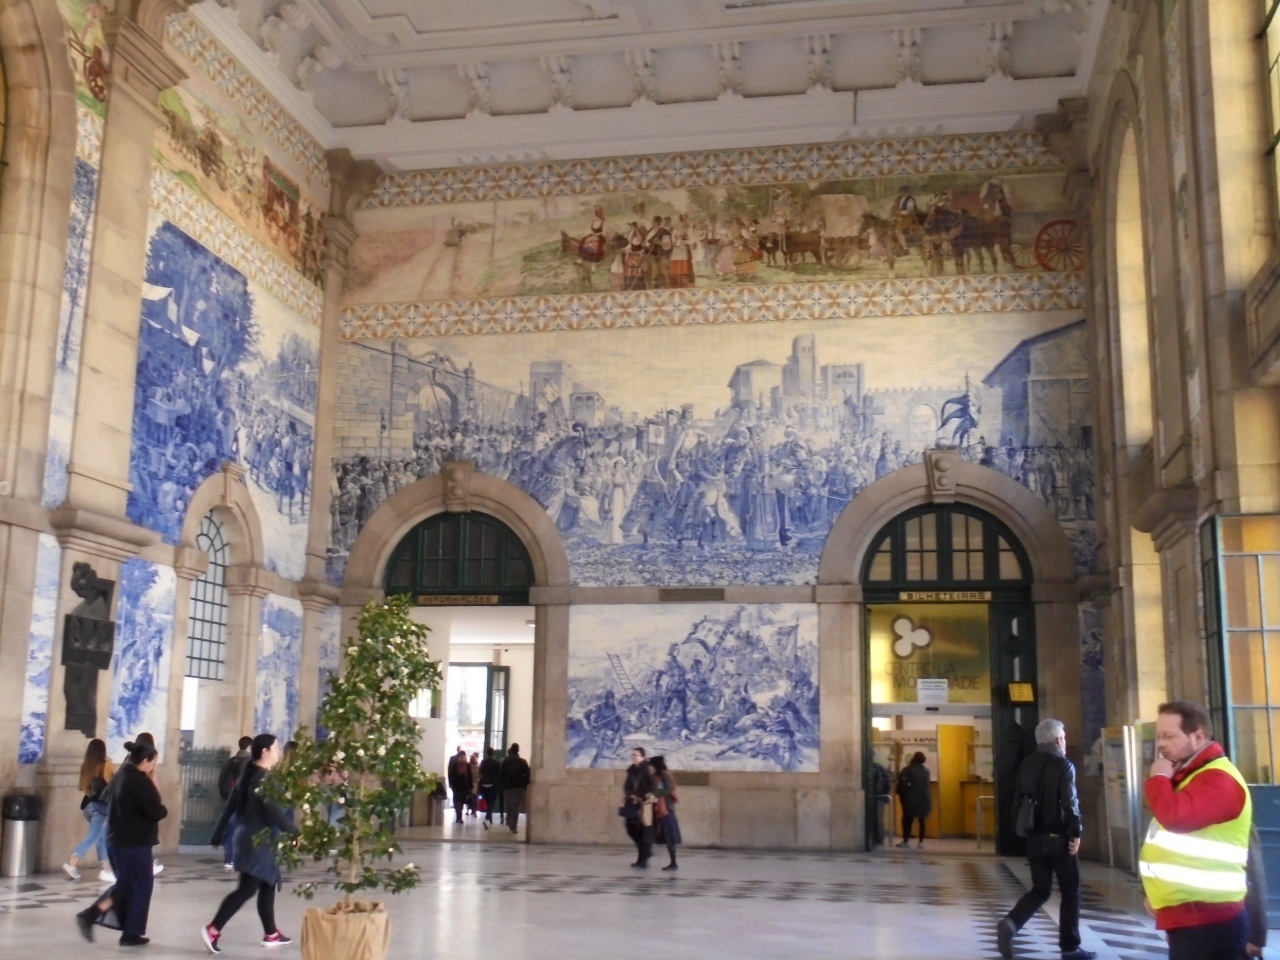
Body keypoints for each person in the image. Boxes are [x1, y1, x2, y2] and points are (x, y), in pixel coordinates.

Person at [1138, 700, 1252, 960]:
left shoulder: (1219, 779)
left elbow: (1175, 818)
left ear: (1198, 736)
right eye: (1159, 737)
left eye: (1169, 736)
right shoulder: (1189, 775)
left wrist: (1158, 779)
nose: (1161, 744)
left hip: (1209, 919)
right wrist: (1158, 895)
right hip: (1190, 914)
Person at [997, 719, 1095, 960]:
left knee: (1040, 889)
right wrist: (1075, 833)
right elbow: (1070, 802)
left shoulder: (1026, 764)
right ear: (1059, 740)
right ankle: (1070, 948)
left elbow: (1018, 801)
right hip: (1059, 839)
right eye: (1064, 737)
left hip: (1034, 839)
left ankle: (1011, 923)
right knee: (1071, 890)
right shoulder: (1064, 765)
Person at [204, 733, 298, 953]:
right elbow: (273, 809)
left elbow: (229, 807)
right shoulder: (261, 778)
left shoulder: (251, 773)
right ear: (265, 751)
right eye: (276, 748)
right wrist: (294, 832)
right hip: (257, 841)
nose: (278, 752)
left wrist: (217, 834)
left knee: (268, 883)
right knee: (247, 889)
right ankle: (213, 929)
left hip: (255, 838)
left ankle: (271, 933)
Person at [75, 740, 167, 947]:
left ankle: (123, 929)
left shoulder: (120, 775)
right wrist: (163, 810)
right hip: (135, 843)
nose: (153, 767)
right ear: (145, 761)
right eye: (153, 763)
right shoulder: (139, 781)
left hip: (116, 840)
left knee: (126, 886)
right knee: (140, 886)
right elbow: (155, 810)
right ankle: (99, 918)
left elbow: (107, 798)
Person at [64, 738, 115, 882]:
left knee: (101, 836)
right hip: (101, 807)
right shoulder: (106, 764)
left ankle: (106, 869)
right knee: (94, 835)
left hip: (89, 806)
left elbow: (83, 787)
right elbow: (111, 785)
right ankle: (72, 861)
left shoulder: (86, 767)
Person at [217, 736, 253, 872]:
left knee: (230, 830)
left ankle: (229, 860)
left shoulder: (231, 761)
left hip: (229, 800)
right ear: (249, 747)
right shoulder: (249, 762)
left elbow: (221, 781)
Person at [622, 747, 655, 868]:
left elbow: (653, 786)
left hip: (643, 804)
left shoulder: (647, 769)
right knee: (630, 828)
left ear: (643, 757)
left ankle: (642, 859)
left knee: (642, 831)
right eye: (633, 755)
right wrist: (630, 793)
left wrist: (645, 795)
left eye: (636, 755)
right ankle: (645, 853)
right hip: (632, 802)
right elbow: (627, 786)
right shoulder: (631, 770)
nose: (634, 757)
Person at [650, 755, 681, 871]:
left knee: (669, 837)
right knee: (667, 836)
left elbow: (669, 788)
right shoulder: (660, 774)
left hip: (666, 809)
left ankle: (673, 863)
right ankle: (673, 862)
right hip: (662, 808)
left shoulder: (663, 774)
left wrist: (655, 794)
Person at [895, 752, 931, 849]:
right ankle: (921, 842)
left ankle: (906, 840)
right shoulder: (926, 771)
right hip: (923, 799)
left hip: (909, 799)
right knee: (922, 821)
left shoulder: (907, 770)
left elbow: (901, 784)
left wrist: (900, 794)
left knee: (907, 820)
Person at [499, 743, 531, 834]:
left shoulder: (505, 762)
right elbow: (528, 775)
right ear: (518, 750)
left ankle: (509, 822)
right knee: (516, 807)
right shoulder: (523, 762)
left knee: (509, 806)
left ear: (511, 750)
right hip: (519, 787)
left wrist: (502, 785)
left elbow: (501, 775)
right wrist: (525, 785)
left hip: (508, 787)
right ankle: (514, 826)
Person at [447, 746, 472, 825]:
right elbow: (450, 774)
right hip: (456, 785)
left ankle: (459, 816)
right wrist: (450, 783)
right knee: (457, 800)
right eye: (461, 757)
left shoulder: (468, 765)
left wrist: (470, 786)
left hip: (465, 786)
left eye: (464, 756)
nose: (462, 758)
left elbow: (470, 776)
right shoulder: (454, 765)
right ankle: (459, 817)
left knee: (462, 800)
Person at [478, 746, 501, 830]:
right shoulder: (497, 763)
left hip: (484, 784)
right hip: (493, 784)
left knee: (487, 802)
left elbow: (480, 772)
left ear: (487, 754)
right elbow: (499, 773)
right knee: (491, 803)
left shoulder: (483, 762)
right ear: (493, 754)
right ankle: (487, 818)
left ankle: (490, 818)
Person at [870, 756, 891, 847]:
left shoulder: (871, 768)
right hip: (881, 796)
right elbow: (888, 784)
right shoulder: (882, 769)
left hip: (873, 796)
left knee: (873, 818)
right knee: (879, 818)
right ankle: (879, 838)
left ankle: (873, 837)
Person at [468, 752, 481, 817]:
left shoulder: (468, 767)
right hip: (476, 784)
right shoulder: (477, 767)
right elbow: (479, 776)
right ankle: (474, 811)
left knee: (469, 797)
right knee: (475, 798)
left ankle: (468, 810)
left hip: (469, 784)